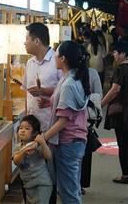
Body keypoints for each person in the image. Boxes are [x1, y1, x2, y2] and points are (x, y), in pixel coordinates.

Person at [39, 40, 89, 204]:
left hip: (68, 142)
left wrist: (43, 138)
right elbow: (68, 107)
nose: (54, 56)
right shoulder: (72, 78)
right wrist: (49, 103)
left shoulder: (68, 84)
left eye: (57, 54)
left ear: (63, 59)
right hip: (75, 142)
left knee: (68, 193)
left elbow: (63, 121)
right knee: (71, 188)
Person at [102, 39, 128, 184]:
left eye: (115, 52)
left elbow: (115, 89)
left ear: (123, 54)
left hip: (122, 112)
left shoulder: (121, 69)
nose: (113, 55)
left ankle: (125, 175)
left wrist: (101, 103)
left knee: (123, 143)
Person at [24, 23, 63, 133]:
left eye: (27, 39)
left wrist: (43, 91)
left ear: (37, 41)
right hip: (31, 127)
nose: (24, 43)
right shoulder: (30, 63)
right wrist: (26, 119)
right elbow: (27, 94)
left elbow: (66, 91)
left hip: (50, 126)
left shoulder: (57, 61)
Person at [14, 115, 54, 204]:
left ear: (35, 132)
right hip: (28, 185)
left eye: (27, 128)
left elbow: (48, 156)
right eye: (21, 128)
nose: (23, 130)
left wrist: (43, 142)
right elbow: (16, 161)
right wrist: (24, 151)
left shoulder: (37, 145)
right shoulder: (18, 147)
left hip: (41, 184)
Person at [80, 66, 103, 192]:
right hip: (86, 120)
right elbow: (99, 94)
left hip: (85, 119)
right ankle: (79, 184)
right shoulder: (92, 73)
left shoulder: (91, 73)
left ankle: (79, 183)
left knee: (83, 151)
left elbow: (98, 94)